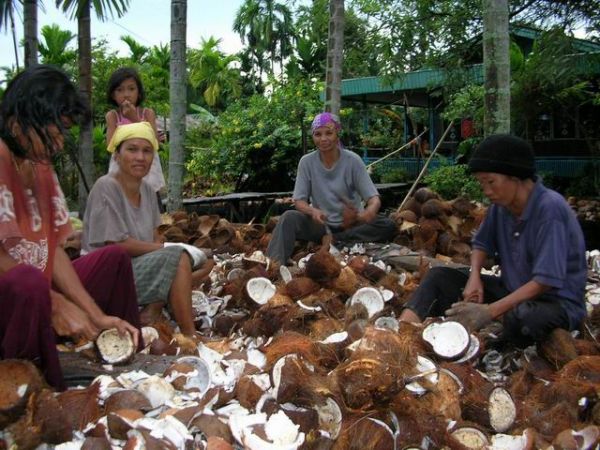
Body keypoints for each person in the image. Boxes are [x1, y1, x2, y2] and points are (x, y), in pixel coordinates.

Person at [0, 65, 140, 390]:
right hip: (16, 301)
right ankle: (25, 389)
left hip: (38, 291)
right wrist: (54, 303)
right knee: (28, 282)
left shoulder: (40, 166)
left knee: (114, 259)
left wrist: (95, 315)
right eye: (55, 133)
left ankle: (120, 360)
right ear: (20, 121)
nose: (60, 144)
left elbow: (52, 252)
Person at [399, 134, 587, 346]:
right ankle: (397, 335)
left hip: (554, 303)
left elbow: (544, 281)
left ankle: (491, 342)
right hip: (512, 290)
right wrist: (475, 277)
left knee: (523, 319)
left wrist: (489, 311)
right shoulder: (501, 207)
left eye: (491, 182)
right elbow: (482, 243)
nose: (487, 191)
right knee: (438, 277)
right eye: (481, 183)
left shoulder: (550, 209)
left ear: (515, 177)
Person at [82, 122, 214, 337]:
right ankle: (190, 336)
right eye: (132, 149)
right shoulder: (105, 187)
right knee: (178, 258)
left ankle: (152, 310)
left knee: (206, 262)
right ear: (117, 155)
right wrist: (170, 248)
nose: (140, 157)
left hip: (135, 265)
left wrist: (166, 248)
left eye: (147, 151)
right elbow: (116, 245)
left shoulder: (147, 190)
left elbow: (155, 236)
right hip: (106, 273)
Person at [267, 112, 397, 265]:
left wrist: (368, 212)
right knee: (288, 217)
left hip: (350, 225)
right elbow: (299, 201)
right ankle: (273, 265)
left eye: (329, 133)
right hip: (321, 224)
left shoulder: (352, 160)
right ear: (313, 137)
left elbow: (373, 198)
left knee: (387, 225)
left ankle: (336, 240)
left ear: (337, 134)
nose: (323, 139)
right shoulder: (306, 162)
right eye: (318, 134)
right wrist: (312, 211)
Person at [105, 67, 166, 205]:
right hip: (123, 169)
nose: (126, 94)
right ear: (113, 95)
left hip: (146, 168)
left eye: (131, 89)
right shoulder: (112, 116)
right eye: (120, 90)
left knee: (151, 206)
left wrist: (134, 118)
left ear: (139, 93)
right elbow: (111, 145)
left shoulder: (147, 113)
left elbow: (154, 142)